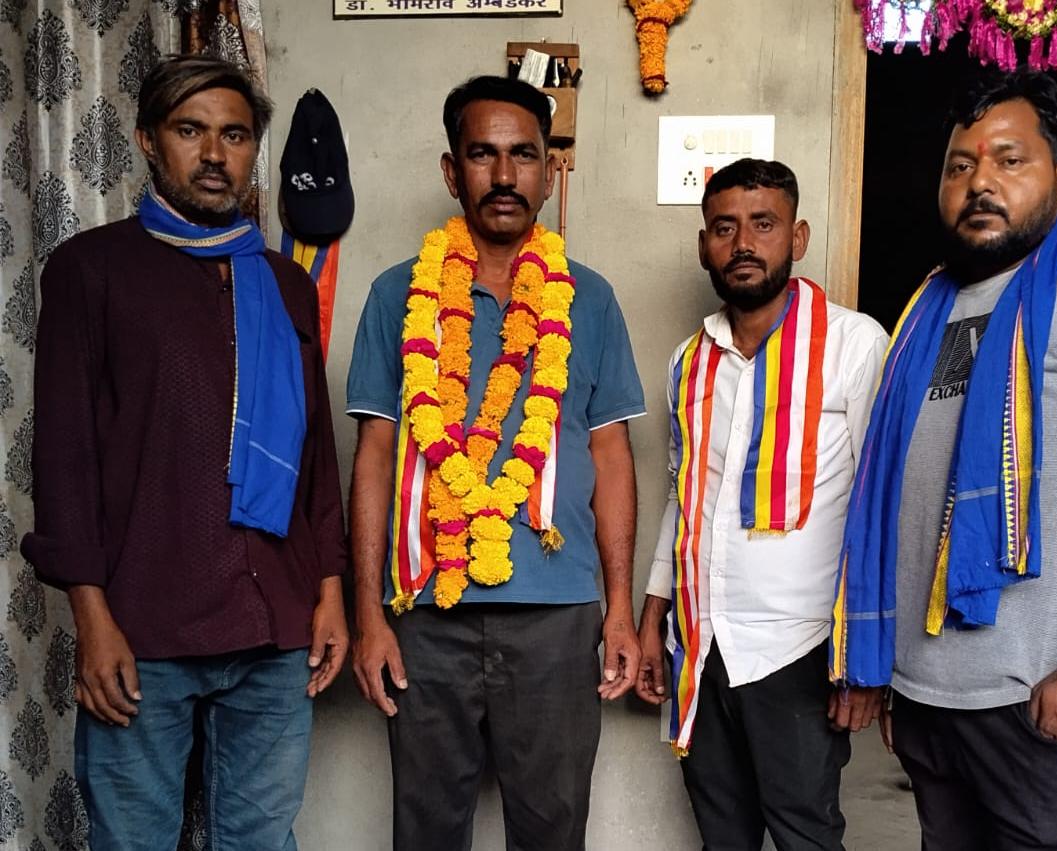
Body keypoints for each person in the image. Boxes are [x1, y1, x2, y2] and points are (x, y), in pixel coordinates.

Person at [832, 69, 1057, 850]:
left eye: (1009, 160)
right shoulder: (923, 310)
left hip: (1045, 697)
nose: (980, 183)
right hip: (929, 700)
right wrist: (899, 680)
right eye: (960, 165)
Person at [20, 55, 348, 850]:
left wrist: (330, 591)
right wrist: (92, 619)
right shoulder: (91, 271)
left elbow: (315, 456)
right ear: (147, 139)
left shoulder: (285, 284)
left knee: (262, 841)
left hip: (274, 624)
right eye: (190, 130)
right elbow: (65, 460)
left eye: (234, 135)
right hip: (144, 626)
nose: (213, 154)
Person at [345, 75, 646, 850]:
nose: (505, 175)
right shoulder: (396, 295)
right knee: (426, 832)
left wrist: (618, 606)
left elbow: (610, 455)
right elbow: (375, 455)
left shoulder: (590, 299)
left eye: (524, 155)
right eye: (483, 154)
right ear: (453, 172)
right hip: (426, 612)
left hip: (558, 616)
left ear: (551, 172)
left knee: (552, 832)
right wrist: (368, 613)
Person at [634, 158, 888, 851]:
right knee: (722, 836)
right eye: (724, 228)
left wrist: (865, 659)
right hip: (701, 643)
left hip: (798, 648)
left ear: (797, 237)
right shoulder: (688, 362)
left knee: (806, 835)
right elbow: (684, 497)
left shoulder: (853, 344)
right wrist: (654, 618)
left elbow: (880, 508)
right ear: (704, 246)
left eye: (763, 224)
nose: (743, 243)